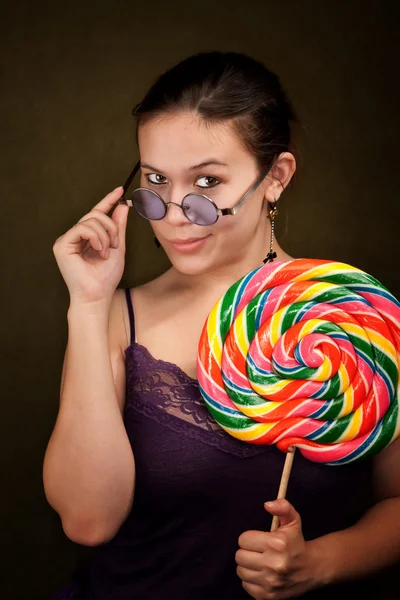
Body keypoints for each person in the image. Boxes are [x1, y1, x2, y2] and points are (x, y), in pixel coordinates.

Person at [44, 51, 400, 600]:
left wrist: (320, 563)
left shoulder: (353, 321)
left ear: (275, 178)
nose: (175, 211)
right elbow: (88, 521)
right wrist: (88, 307)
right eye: (155, 180)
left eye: (207, 181)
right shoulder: (115, 318)